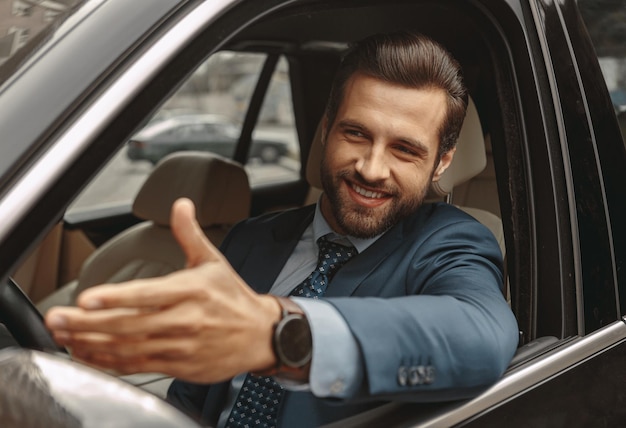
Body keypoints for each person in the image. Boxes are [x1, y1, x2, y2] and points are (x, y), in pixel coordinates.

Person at [45, 32, 519, 427]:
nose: (373, 168)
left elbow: (480, 335)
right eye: (356, 133)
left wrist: (281, 334)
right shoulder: (251, 238)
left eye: (405, 150)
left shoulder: (453, 242)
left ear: (443, 161)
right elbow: (191, 399)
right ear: (326, 129)